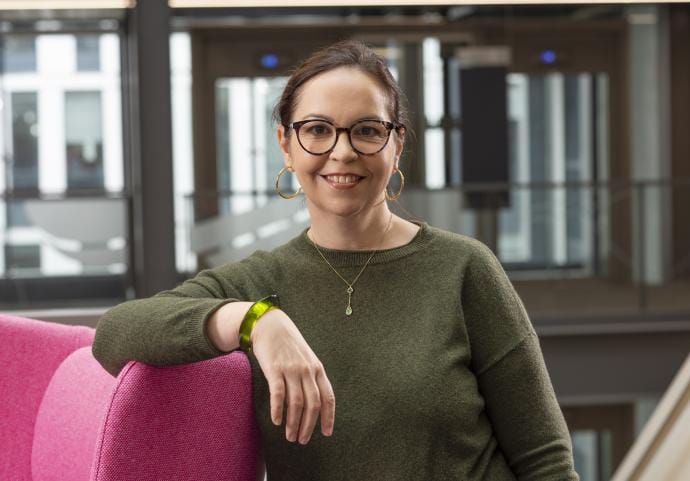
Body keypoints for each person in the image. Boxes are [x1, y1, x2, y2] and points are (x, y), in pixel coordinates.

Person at [93, 39, 580, 481]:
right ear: (286, 145)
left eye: (366, 130)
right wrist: (257, 321)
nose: (342, 152)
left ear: (397, 144)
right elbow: (115, 333)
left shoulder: (464, 268)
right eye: (318, 130)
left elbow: (544, 458)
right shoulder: (258, 281)